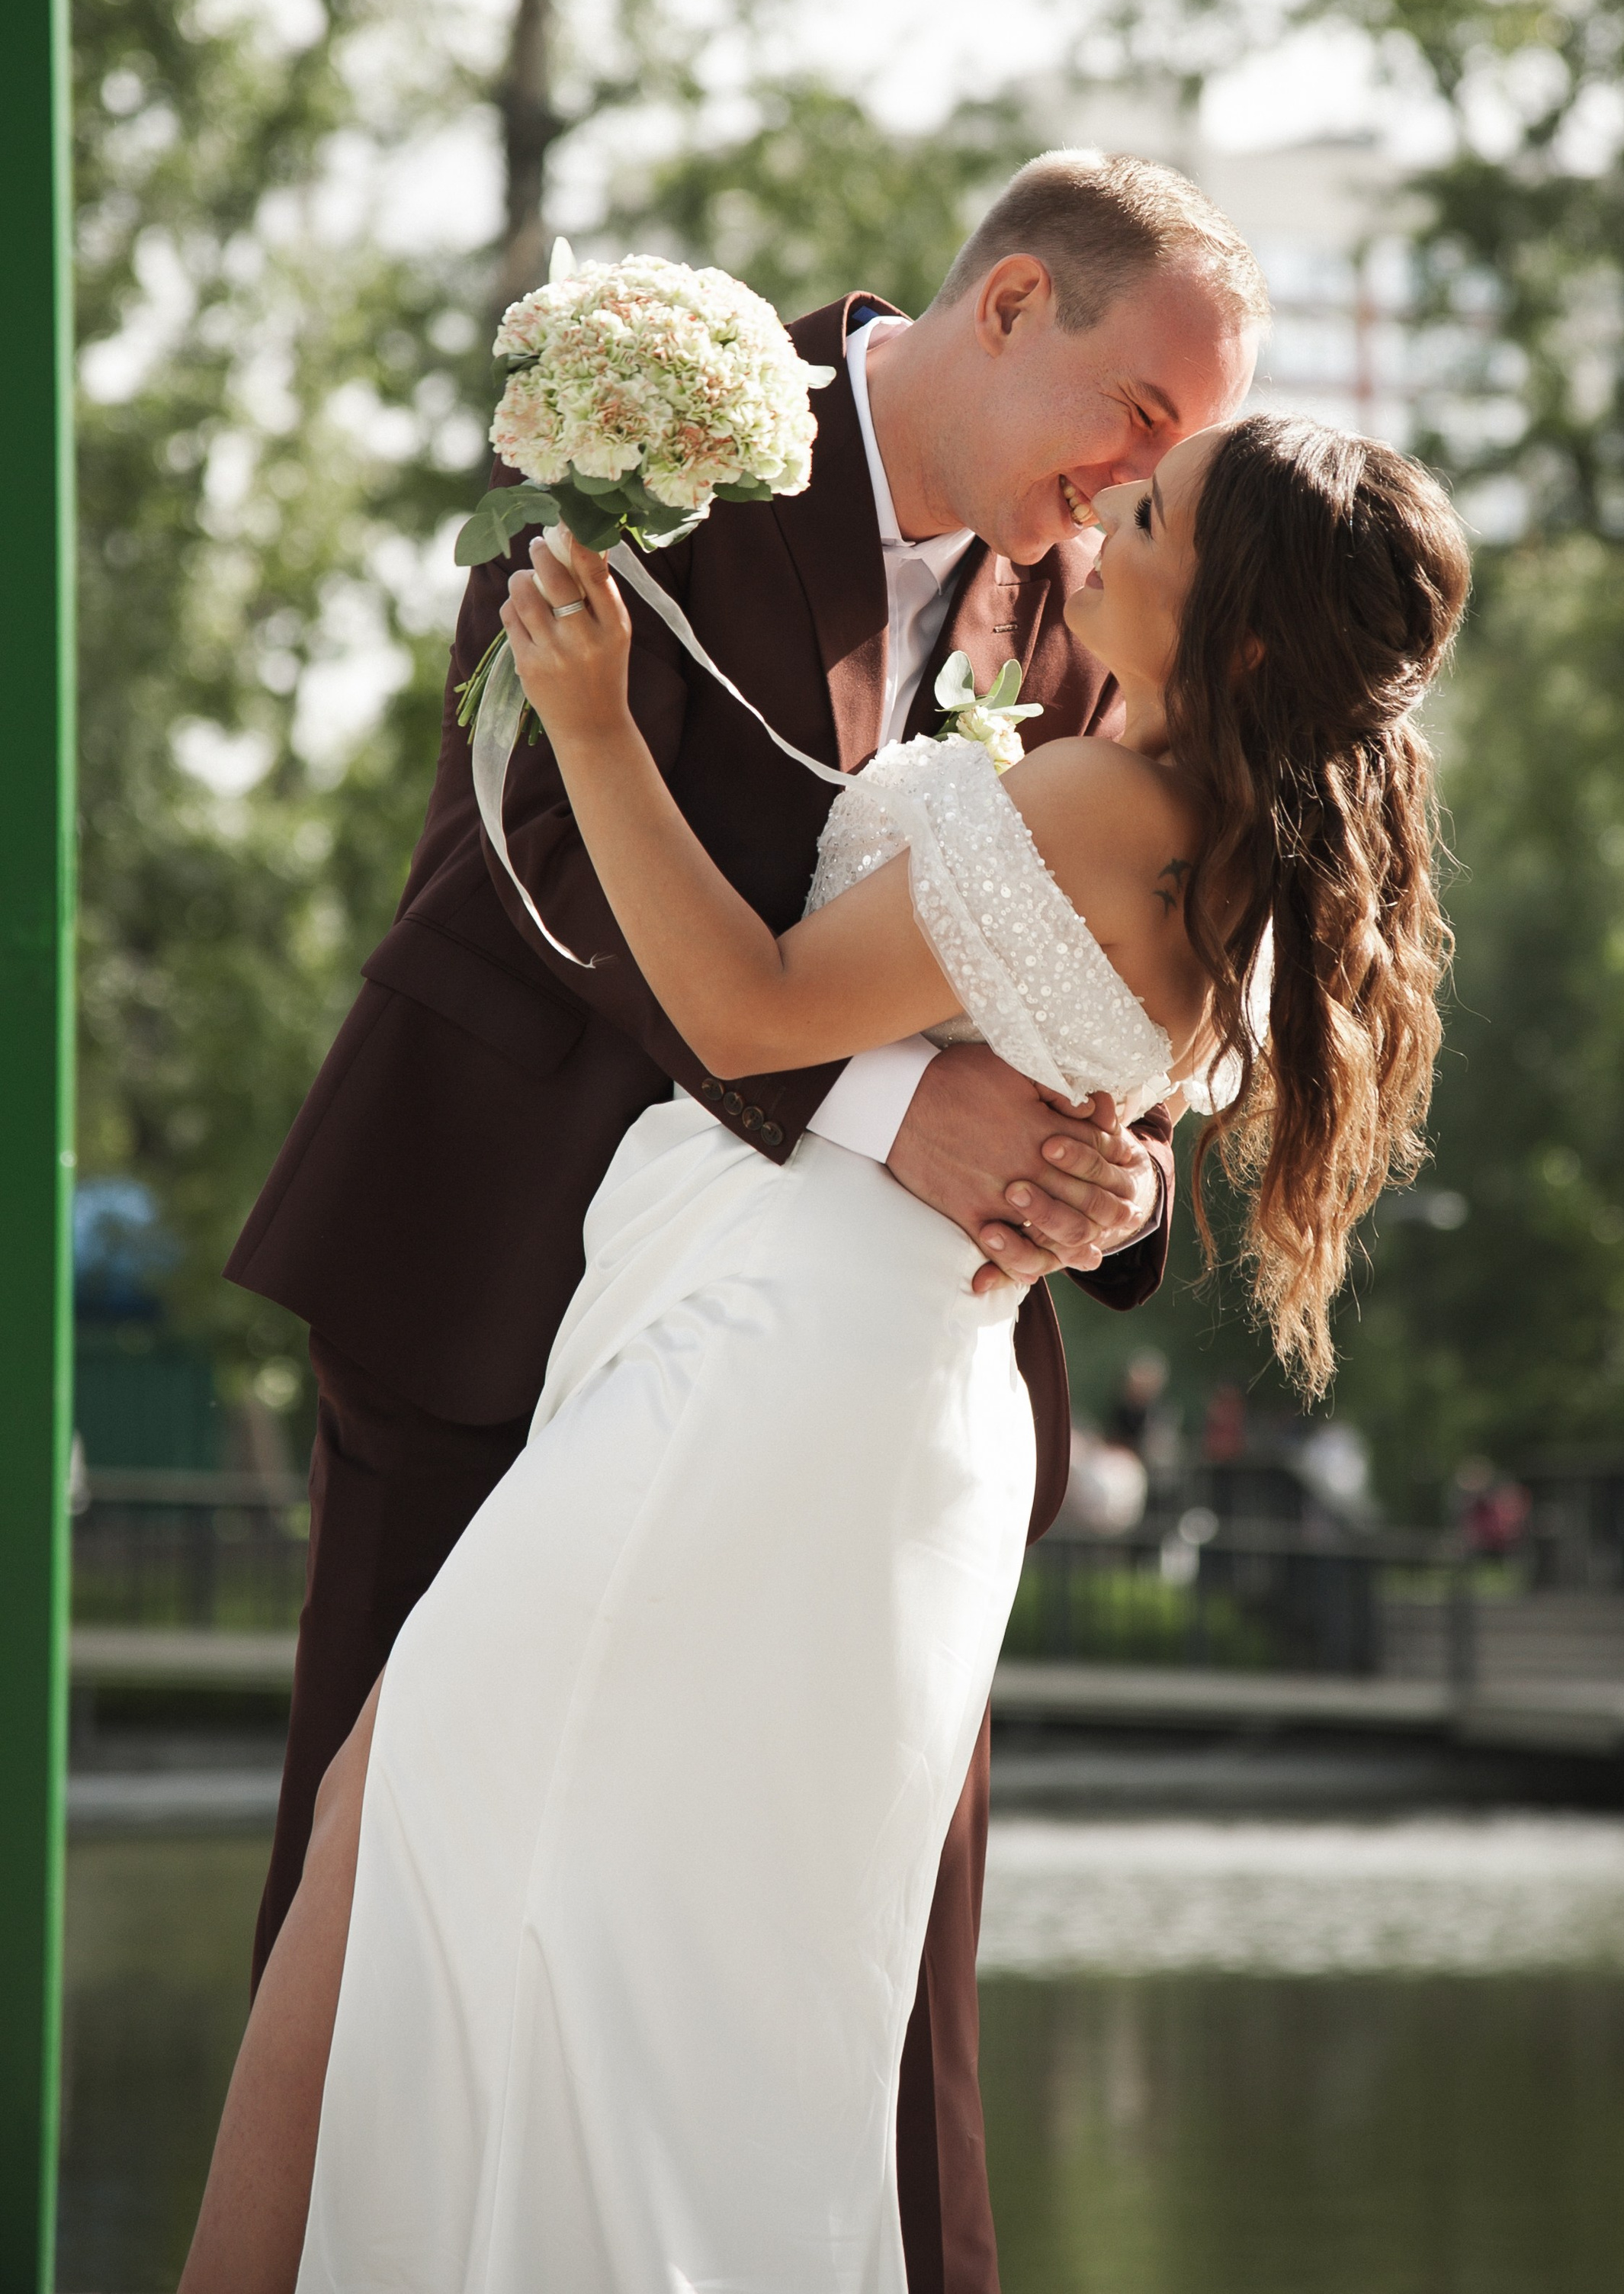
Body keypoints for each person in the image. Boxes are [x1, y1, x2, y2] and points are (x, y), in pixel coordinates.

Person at [181, 397, 1470, 2289]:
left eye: (1161, 509)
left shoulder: (1114, 805)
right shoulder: (1244, 840)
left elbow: (751, 999)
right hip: (863, 1379)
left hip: (780, 1378)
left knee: (413, 1835)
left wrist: (601, 725)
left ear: (1250, 632)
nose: (1109, 504)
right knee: (659, 1965)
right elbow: (1092, 1090)